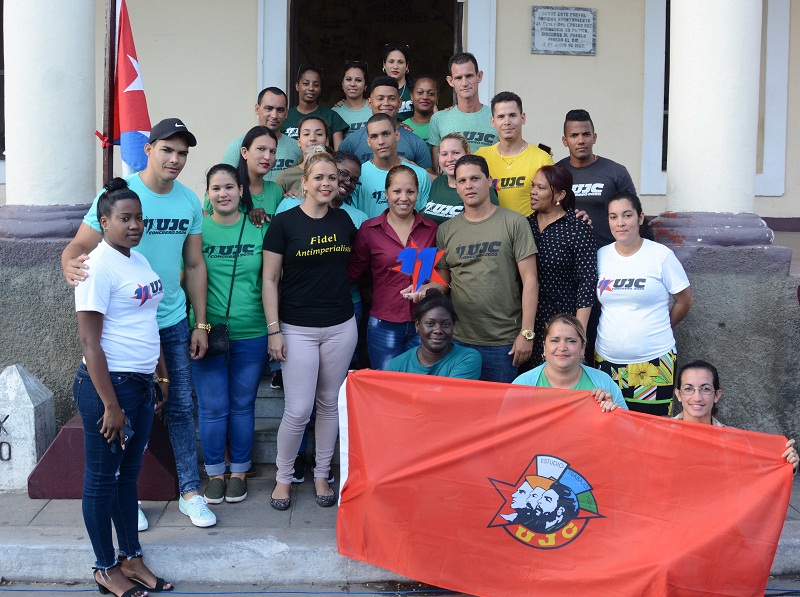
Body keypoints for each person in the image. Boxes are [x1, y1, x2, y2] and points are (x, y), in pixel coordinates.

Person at [62, 118, 216, 528]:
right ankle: (125, 498)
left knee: (181, 406)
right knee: (124, 411)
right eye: (168, 149)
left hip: (170, 320)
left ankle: (190, 491)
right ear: (148, 149)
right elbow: (80, 245)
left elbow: (195, 263)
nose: (175, 159)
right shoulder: (118, 196)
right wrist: (66, 260)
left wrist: (201, 323)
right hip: (123, 328)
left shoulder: (188, 201)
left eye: (183, 153)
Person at [73, 178, 172, 596]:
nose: (134, 225)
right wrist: (110, 406)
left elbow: (150, 321)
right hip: (107, 389)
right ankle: (104, 566)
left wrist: (160, 374)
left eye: (138, 218)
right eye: (124, 218)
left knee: (127, 477)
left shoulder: (139, 261)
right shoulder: (97, 266)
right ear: (104, 221)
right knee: (101, 478)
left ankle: (131, 557)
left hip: (140, 382)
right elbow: (90, 343)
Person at [263, 152, 358, 510]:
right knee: (298, 408)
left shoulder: (344, 220)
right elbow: (270, 279)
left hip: (339, 326)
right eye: (318, 177)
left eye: (332, 178)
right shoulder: (284, 224)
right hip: (296, 328)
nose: (325, 184)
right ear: (303, 182)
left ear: (339, 184)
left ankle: (321, 474)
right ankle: (283, 478)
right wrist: (274, 331)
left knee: (329, 403)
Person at [407, 154, 539, 384]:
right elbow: (445, 282)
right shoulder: (447, 230)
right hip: (457, 340)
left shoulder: (514, 222)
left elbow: (530, 281)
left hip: (503, 343)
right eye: (462, 181)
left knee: (499, 413)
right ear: (456, 187)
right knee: (460, 411)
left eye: (475, 178)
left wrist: (527, 334)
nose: (468, 185)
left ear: (489, 180)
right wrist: (423, 290)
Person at [192, 164, 271, 506]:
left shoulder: (260, 228)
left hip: (251, 331)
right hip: (206, 334)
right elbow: (186, 279)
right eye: (215, 188)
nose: (223, 193)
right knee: (212, 408)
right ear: (207, 194)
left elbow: (272, 281)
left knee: (242, 405)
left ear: (241, 191)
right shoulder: (198, 231)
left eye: (229, 187)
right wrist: (196, 324)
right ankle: (214, 472)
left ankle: (238, 471)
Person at [594, 191, 694, 416]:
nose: (620, 223)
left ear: (640, 218)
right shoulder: (601, 256)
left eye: (627, 215)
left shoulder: (660, 256)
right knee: (610, 428)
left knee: (651, 431)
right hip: (607, 363)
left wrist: (663, 326)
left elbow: (684, 300)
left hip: (654, 362)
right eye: (613, 217)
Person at [348, 164, 438, 369]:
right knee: (388, 388)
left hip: (423, 322)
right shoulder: (370, 229)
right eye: (397, 191)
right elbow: (354, 272)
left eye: (410, 191)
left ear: (418, 194)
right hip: (383, 324)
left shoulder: (430, 229)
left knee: (419, 388)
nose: (403, 198)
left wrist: (427, 288)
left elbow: (441, 272)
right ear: (386, 194)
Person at [527, 165, 597, 368]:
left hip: (565, 324)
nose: (533, 191)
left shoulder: (577, 228)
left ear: (559, 194)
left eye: (540, 187)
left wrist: (578, 334)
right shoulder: (524, 225)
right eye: (533, 186)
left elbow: (587, 282)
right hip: (530, 323)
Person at [673, 360, 798, 472]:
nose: (697, 397)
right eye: (688, 389)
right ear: (678, 394)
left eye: (705, 389)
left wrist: (786, 465)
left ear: (717, 395)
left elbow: (760, 478)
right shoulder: (660, 435)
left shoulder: (736, 441)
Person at [512, 313, 627, 412]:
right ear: (544, 347)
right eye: (555, 340)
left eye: (571, 341)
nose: (562, 347)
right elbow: (505, 431)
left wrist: (613, 414)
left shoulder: (604, 382)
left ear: (582, 348)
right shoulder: (522, 385)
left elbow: (628, 430)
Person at [556, 109, 637, 248]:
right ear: (565, 140)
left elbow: (633, 214)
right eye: (574, 135)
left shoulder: (616, 172)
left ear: (594, 137)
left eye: (586, 134)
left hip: (609, 257)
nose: (581, 141)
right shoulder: (556, 172)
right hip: (567, 258)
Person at [475, 91, 553, 216]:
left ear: (523, 118)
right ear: (492, 121)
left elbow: (551, 204)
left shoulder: (542, 158)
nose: (507, 122)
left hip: (528, 231)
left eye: (512, 115)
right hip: (492, 231)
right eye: (501, 117)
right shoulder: (481, 157)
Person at [339, 76, 433, 171]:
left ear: (400, 103)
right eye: (380, 99)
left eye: (392, 98)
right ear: (370, 103)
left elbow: (428, 181)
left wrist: (415, 169)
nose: (386, 103)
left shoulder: (416, 142)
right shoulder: (351, 141)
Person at [350, 113, 432, 219]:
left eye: (386, 134)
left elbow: (424, 221)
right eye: (374, 136)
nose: (381, 142)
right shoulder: (358, 176)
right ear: (368, 141)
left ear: (397, 135)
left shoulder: (420, 175)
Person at [386, 289, 482, 379]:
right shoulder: (397, 365)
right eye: (430, 324)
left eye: (446, 324)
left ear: (453, 326)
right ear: (417, 325)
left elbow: (451, 395)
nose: (438, 330)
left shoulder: (468, 358)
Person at [428, 52, 497, 165]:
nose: (464, 83)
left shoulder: (497, 117)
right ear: (451, 81)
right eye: (459, 78)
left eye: (469, 76)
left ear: (479, 76)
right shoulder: (439, 119)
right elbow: (438, 169)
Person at [206, 126, 282, 228]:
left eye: (272, 151)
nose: (267, 157)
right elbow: (207, 228)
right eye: (261, 149)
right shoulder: (222, 189)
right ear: (245, 152)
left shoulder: (275, 190)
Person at [221, 87, 301, 181]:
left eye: (280, 110)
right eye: (268, 108)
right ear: (257, 109)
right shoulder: (237, 147)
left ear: (286, 113)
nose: (274, 115)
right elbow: (221, 184)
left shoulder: (297, 147)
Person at [421, 132, 498, 225]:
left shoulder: (481, 186)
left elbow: (491, 224)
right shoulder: (438, 182)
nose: (450, 159)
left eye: (455, 153)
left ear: (467, 153)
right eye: (444, 154)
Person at [282, 64, 348, 149]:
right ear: (297, 86)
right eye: (306, 84)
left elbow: (339, 155)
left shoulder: (331, 116)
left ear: (320, 89)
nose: (311, 88)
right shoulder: (285, 117)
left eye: (316, 85)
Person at [274, 115, 331, 194]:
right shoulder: (285, 178)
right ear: (299, 142)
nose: (312, 138)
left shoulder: (336, 174)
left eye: (319, 134)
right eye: (306, 134)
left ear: (327, 141)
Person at [333, 60, 372, 137]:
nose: (353, 84)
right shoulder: (335, 112)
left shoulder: (374, 107)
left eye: (358, 80)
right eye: (348, 79)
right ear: (342, 84)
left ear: (365, 86)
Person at [382, 43, 414, 121]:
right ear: (384, 64)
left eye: (400, 62)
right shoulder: (378, 90)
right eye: (391, 61)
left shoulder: (416, 88)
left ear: (407, 66)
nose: (395, 66)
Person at [404, 76, 439, 144]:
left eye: (431, 93)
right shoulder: (403, 127)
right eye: (420, 92)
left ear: (437, 97)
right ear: (411, 95)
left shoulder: (443, 124)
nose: (425, 97)